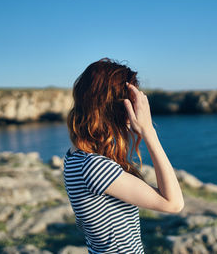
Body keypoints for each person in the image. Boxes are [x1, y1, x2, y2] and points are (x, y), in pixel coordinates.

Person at [63, 57, 184, 253]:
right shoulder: (94, 167)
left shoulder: (75, 157)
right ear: (116, 109)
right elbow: (174, 203)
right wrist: (148, 131)